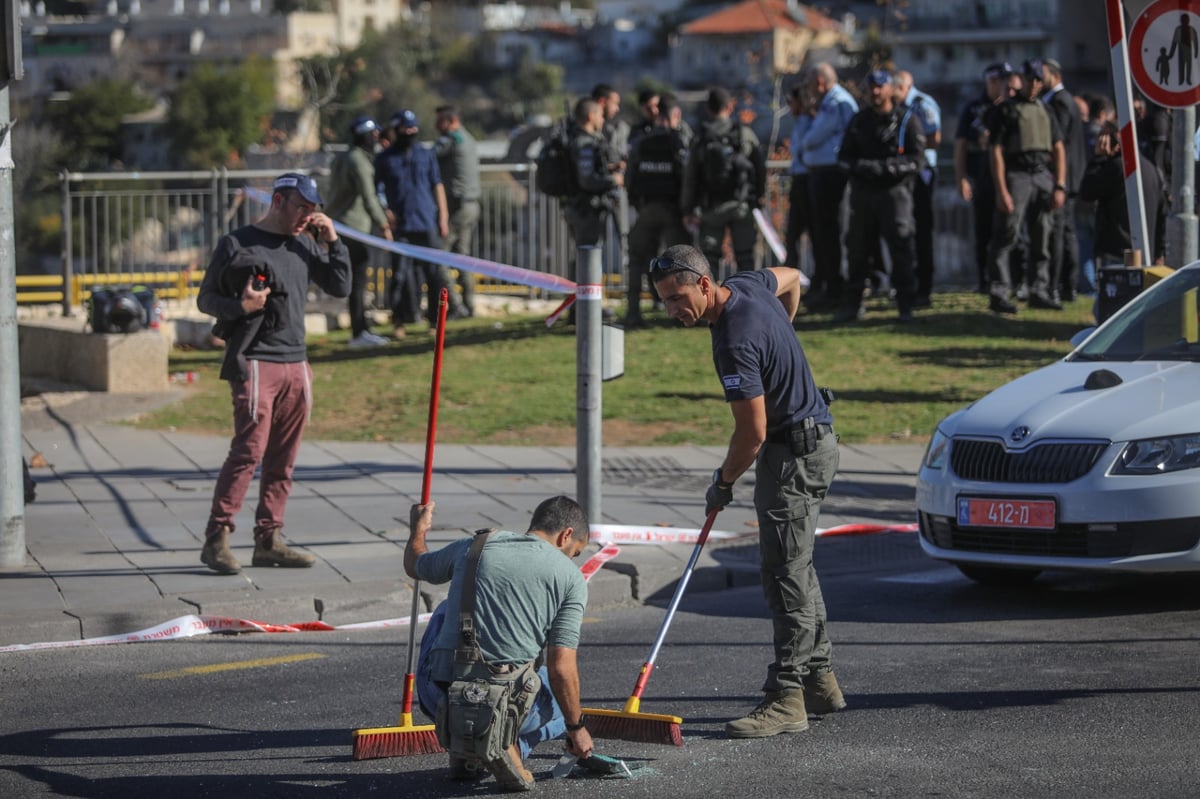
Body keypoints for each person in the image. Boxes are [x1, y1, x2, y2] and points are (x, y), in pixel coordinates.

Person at [648, 244, 842, 740]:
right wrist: (783, 337)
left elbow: (751, 434)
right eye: (664, 301)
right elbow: (795, 275)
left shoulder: (733, 340)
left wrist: (723, 482)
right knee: (798, 566)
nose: (672, 310)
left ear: (705, 285)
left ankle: (787, 698)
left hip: (791, 457)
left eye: (677, 297)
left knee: (784, 576)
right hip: (817, 441)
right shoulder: (750, 286)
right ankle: (819, 681)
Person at [196, 172, 351, 574]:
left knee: (284, 458)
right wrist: (241, 309)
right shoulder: (237, 243)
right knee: (248, 452)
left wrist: (332, 240)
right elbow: (205, 299)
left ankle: (269, 540)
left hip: (296, 362)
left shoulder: (303, 243)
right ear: (278, 201)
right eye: (300, 207)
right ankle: (217, 539)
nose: (306, 216)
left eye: (313, 209)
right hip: (256, 362)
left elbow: (340, 285)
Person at [409, 496, 595, 789]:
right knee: (561, 696)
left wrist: (417, 530)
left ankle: (466, 745)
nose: (571, 559)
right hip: (507, 705)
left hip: (440, 695)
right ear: (566, 535)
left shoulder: (474, 546)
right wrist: (577, 728)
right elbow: (561, 668)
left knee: (444, 611)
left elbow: (415, 564)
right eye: (575, 552)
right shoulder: (570, 578)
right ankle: (512, 744)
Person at [834, 69, 926, 323]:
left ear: (890, 89)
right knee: (857, 250)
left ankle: (905, 305)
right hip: (863, 195)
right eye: (871, 87)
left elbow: (918, 159)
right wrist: (861, 168)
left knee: (901, 249)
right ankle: (852, 305)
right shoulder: (859, 121)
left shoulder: (907, 120)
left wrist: (887, 168)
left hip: (894, 194)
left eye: (880, 87)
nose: (875, 92)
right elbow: (843, 157)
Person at [985, 59, 1067, 314]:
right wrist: (1001, 190)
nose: (1033, 85)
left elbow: (1058, 148)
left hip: (1042, 173)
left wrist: (1060, 184)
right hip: (1017, 174)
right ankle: (999, 291)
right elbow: (996, 151)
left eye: (1038, 80)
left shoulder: (1046, 110)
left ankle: (1038, 290)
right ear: (1021, 79)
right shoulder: (1006, 110)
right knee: (1007, 233)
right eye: (1030, 79)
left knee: (1042, 235)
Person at [375, 109, 460, 338]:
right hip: (401, 226)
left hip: (427, 223)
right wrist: (386, 214)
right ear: (397, 129)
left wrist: (442, 217)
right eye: (406, 128)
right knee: (400, 276)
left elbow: (437, 185)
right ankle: (399, 322)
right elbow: (377, 190)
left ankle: (434, 321)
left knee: (434, 275)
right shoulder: (384, 159)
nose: (410, 132)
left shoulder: (426, 154)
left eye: (413, 128)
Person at [681, 86, 766, 275]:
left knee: (709, 261)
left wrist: (688, 208)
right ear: (730, 107)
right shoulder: (745, 135)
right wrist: (759, 198)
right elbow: (760, 169)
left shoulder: (701, 138)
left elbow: (691, 177)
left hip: (711, 208)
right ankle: (748, 301)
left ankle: (711, 303)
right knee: (745, 259)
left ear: (709, 109)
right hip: (741, 206)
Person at [324, 115, 393, 349]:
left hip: (339, 226)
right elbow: (369, 195)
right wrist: (383, 224)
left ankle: (361, 328)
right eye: (373, 134)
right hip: (354, 230)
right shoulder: (359, 161)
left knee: (354, 280)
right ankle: (359, 332)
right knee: (358, 281)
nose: (376, 138)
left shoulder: (342, 157)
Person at [625, 94, 690, 326]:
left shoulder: (642, 142)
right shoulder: (679, 142)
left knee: (636, 258)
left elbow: (630, 179)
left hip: (647, 209)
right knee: (681, 263)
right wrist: (687, 209)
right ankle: (682, 314)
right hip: (672, 211)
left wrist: (639, 205)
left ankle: (633, 311)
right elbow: (686, 179)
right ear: (675, 115)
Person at [799, 63, 858, 310]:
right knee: (821, 234)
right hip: (821, 174)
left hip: (831, 175)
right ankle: (826, 283)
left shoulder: (836, 102)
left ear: (820, 82)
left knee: (831, 232)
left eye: (811, 84)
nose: (810, 90)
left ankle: (835, 287)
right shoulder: (829, 102)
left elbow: (813, 138)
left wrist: (806, 143)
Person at [955, 62, 1016, 293]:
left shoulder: (1012, 106)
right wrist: (961, 178)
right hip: (982, 178)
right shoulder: (974, 109)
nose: (1001, 85)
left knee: (1011, 232)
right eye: (997, 80)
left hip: (1011, 178)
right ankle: (984, 281)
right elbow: (960, 146)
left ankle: (1011, 281)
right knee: (983, 232)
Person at [1078, 120, 1165, 268]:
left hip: (1117, 253)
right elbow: (1162, 213)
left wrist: (1098, 158)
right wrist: (1159, 252)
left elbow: (1087, 191)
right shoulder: (1151, 169)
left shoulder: (1118, 167)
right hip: (1146, 252)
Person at [563, 97, 623, 301]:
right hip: (586, 209)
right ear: (590, 116)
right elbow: (587, 179)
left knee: (584, 257)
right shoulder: (584, 142)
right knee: (588, 258)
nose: (602, 119)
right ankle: (586, 308)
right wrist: (612, 179)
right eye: (599, 115)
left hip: (579, 207)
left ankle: (580, 307)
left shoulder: (580, 140)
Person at [892, 70, 941, 307]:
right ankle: (905, 284)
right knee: (903, 231)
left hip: (922, 172)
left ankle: (924, 287)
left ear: (903, 87)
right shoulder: (896, 108)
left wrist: (913, 145)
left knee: (922, 231)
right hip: (904, 173)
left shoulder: (922, 104)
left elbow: (935, 136)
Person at [1040, 58, 1087, 303]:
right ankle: (1067, 287)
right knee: (1066, 231)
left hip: (1064, 177)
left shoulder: (1059, 102)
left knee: (1060, 232)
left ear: (1055, 75)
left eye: (1043, 73)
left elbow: (1059, 142)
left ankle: (1059, 286)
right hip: (1069, 176)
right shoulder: (1064, 100)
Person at [434, 104, 482, 318]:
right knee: (463, 258)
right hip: (471, 205)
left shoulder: (451, 140)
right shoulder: (468, 138)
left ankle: (456, 305)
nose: (437, 126)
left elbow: (429, 156)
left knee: (439, 258)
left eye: (440, 121)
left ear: (451, 121)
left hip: (457, 208)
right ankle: (469, 305)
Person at [784, 84, 813, 272]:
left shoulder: (808, 122)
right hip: (800, 179)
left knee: (798, 231)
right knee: (792, 232)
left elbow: (801, 149)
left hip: (806, 179)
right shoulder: (802, 122)